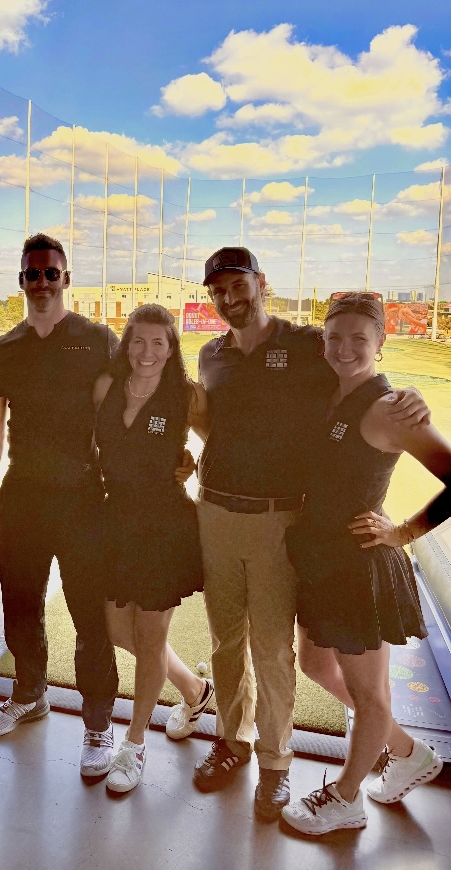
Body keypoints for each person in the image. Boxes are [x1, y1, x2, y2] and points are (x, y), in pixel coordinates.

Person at [192, 247, 430, 821]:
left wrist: (407, 397)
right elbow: (214, 423)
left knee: (274, 649)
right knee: (229, 642)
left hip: (282, 520)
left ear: (261, 283)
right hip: (217, 512)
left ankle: (276, 764)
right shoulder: (209, 354)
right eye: (218, 290)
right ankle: (232, 741)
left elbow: (361, 368)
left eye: (239, 285)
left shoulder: (306, 344)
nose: (230, 298)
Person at [281, 293, 448, 835]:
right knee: (315, 665)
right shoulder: (329, 390)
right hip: (320, 560)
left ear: (381, 344)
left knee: (371, 693)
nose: (344, 349)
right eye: (334, 337)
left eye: (359, 338)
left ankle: (346, 799)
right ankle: (407, 752)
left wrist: (402, 532)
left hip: (358, 567)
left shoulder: (390, 409)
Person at [0, 233, 120, 778]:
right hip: (23, 495)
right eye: (32, 274)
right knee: (20, 605)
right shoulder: (6, 347)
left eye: (51, 273)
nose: (42, 282)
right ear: (21, 281)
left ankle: (98, 723)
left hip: (84, 496)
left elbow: (119, 416)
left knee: (89, 615)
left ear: (66, 279)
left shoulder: (97, 339)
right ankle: (29, 694)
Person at [92, 304, 214, 793]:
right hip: (116, 521)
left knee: (149, 637)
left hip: (165, 525)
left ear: (171, 347)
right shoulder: (106, 386)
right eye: (137, 341)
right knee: (119, 631)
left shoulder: (187, 395)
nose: (146, 351)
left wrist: (191, 463)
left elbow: (222, 445)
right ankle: (196, 689)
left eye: (157, 342)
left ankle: (135, 743)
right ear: (126, 344)